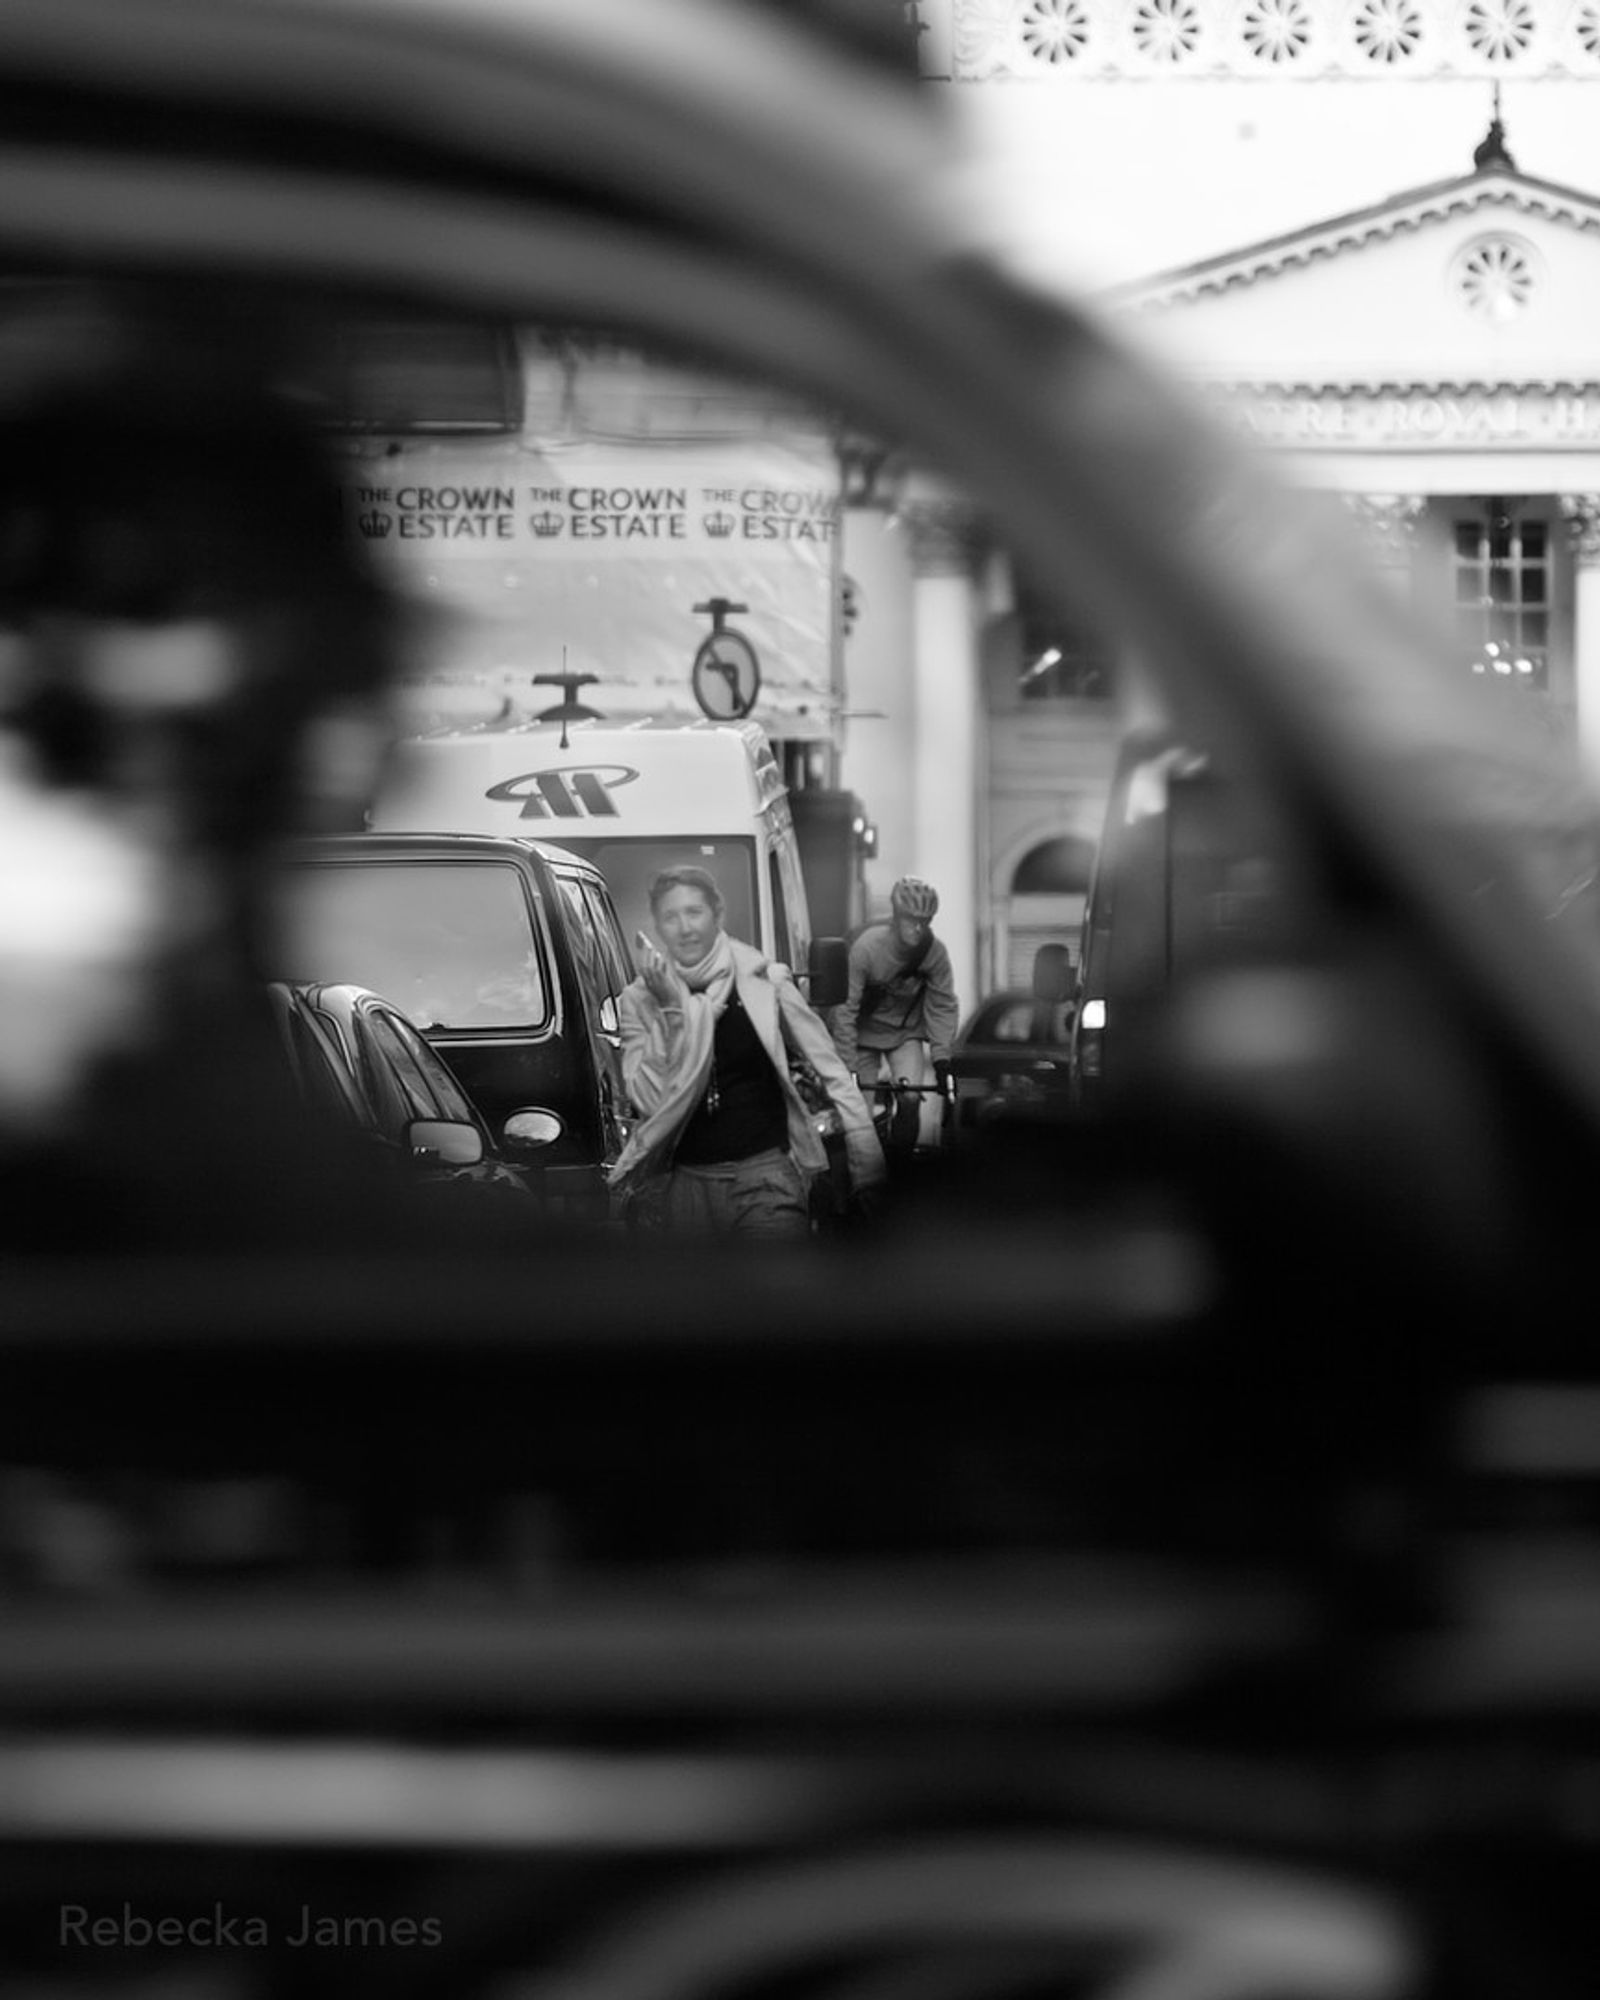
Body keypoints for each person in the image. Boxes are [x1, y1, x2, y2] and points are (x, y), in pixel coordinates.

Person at [609, 865, 885, 1236]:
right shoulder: (640, 999)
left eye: (694, 912)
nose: (685, 927)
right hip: (687, 1186)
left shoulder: (764, 981)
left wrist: (868, 1169)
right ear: (657, 927)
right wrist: (672, 1012)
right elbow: (648, 1100)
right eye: (671, 917)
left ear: (717, 915)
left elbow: (834, 1074)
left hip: (765, 1177)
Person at [832, 875, 961, 1151]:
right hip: (863, 1035)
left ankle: (901, 1160)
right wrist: (847, 1064)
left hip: (904, 1034)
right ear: (895, 916)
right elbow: (845, 1009)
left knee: (911, 1098)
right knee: (859, 1114)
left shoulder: (934, 954)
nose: (917, 928)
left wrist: (942, 1060)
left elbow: (942, 1007)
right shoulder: (867, 948)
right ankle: (865, 1178)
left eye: (924, 922)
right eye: (909, 919)